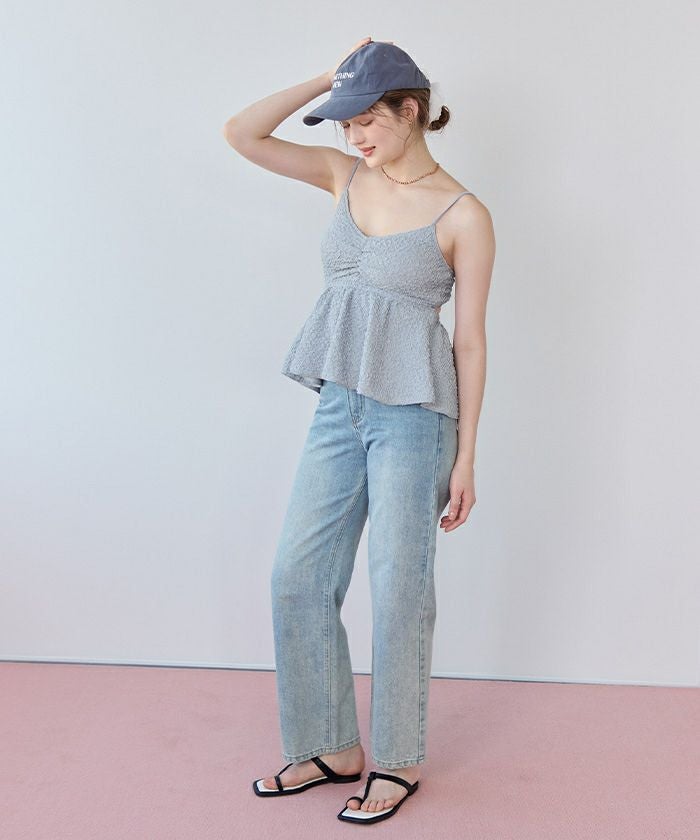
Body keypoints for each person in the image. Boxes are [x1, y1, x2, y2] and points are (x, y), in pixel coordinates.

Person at [223, 37, 495, 825]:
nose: (354, 136)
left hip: (416, 416)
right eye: (346, 123)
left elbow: (471, 342)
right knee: (297, 576)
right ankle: (329, 747)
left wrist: (467, 457)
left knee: (399, 591)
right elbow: (242, 133)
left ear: (412, 110)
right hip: (338, 406)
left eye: (368, 119)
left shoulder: (464, 214)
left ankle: (398, 761)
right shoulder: (345, 176)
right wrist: (331, 79)